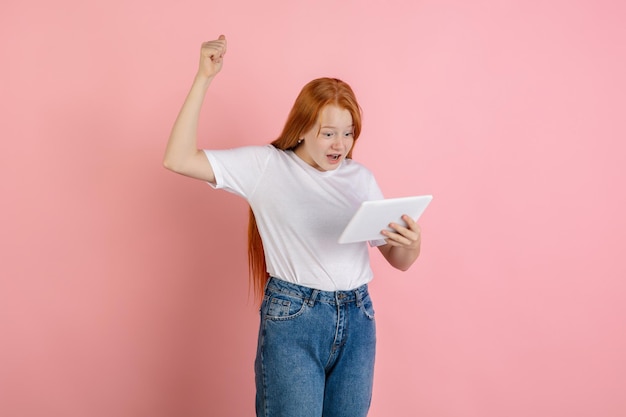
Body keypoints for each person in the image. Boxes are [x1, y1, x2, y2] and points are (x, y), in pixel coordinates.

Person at [163, 35, 422, 417]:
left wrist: (411, 243)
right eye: (328, 132)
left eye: (348, 133)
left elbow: (399, 260)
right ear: (302, 128)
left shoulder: (360, 178)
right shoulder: (267, 166)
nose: (340, 145)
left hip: (358, 318)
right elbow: (178, 158)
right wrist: (204, 78)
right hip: (294, 317)